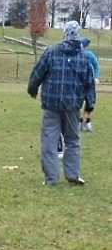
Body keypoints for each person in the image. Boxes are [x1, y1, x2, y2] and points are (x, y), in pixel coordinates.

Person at [27, 20, 96, 186]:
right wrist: (89, 105)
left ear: (64, 33)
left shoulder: (52, 52)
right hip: (73, 105)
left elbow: (38, 72)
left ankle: (52, 178)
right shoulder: (84, 58)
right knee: (73, 140)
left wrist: (33, 89)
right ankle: (73, 174)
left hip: (52, 103)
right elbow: (89, 84)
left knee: (49, 141)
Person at [81, 37, 100, 131]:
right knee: (77, 104)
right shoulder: (77, 55)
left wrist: (96, 77)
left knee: (90, 103)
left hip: (90, 84)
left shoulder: (89, 55)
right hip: (79, 84)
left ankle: (87, 121)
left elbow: (96, 66)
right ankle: (80, 122)